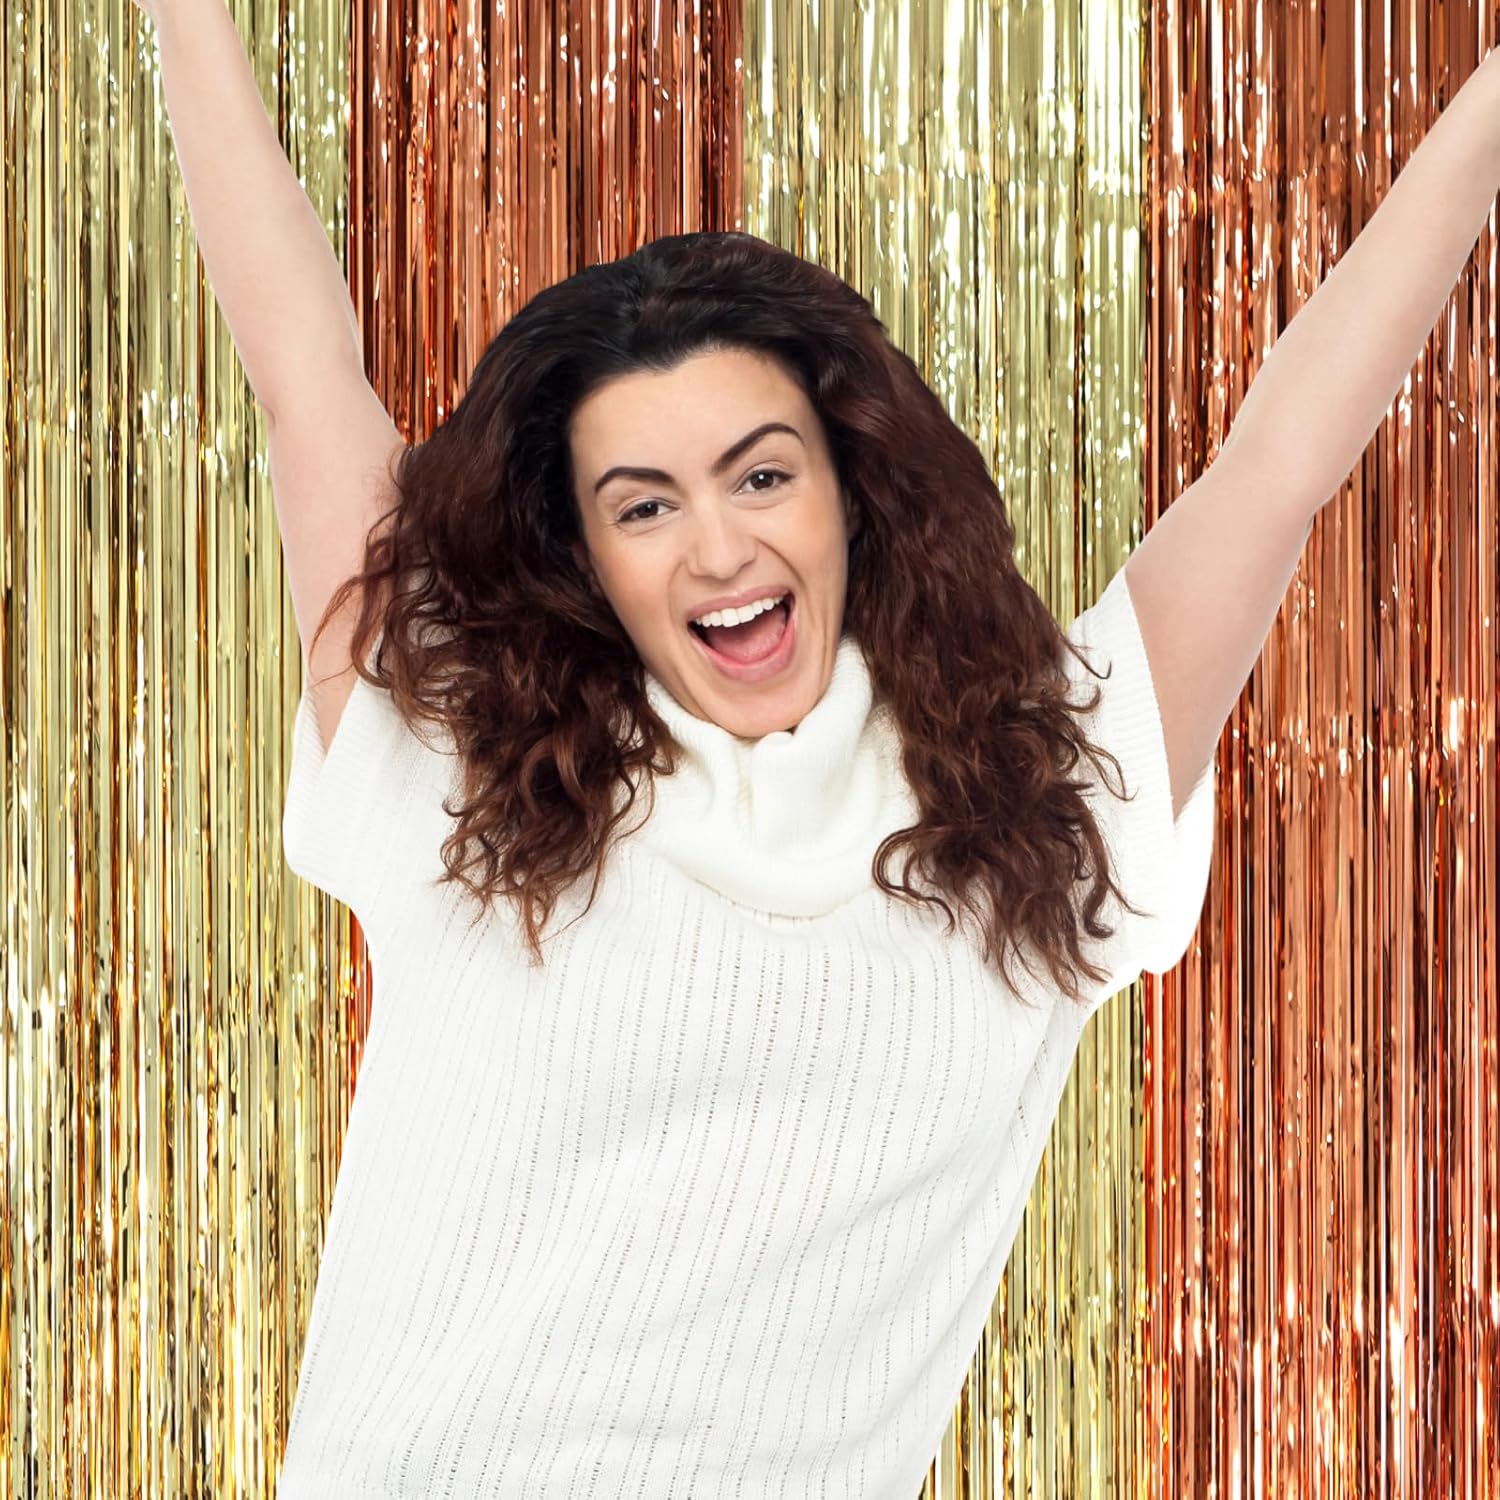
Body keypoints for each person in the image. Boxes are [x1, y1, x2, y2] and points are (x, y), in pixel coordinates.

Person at [138, 0, 1500, 1491]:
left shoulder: (1039, 798)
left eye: (761, 476)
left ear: (852, 488)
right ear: (584, 553)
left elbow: (1283, 460)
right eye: (644, 505)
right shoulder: (462, 755)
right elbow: (303, 374)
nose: (719, 548)